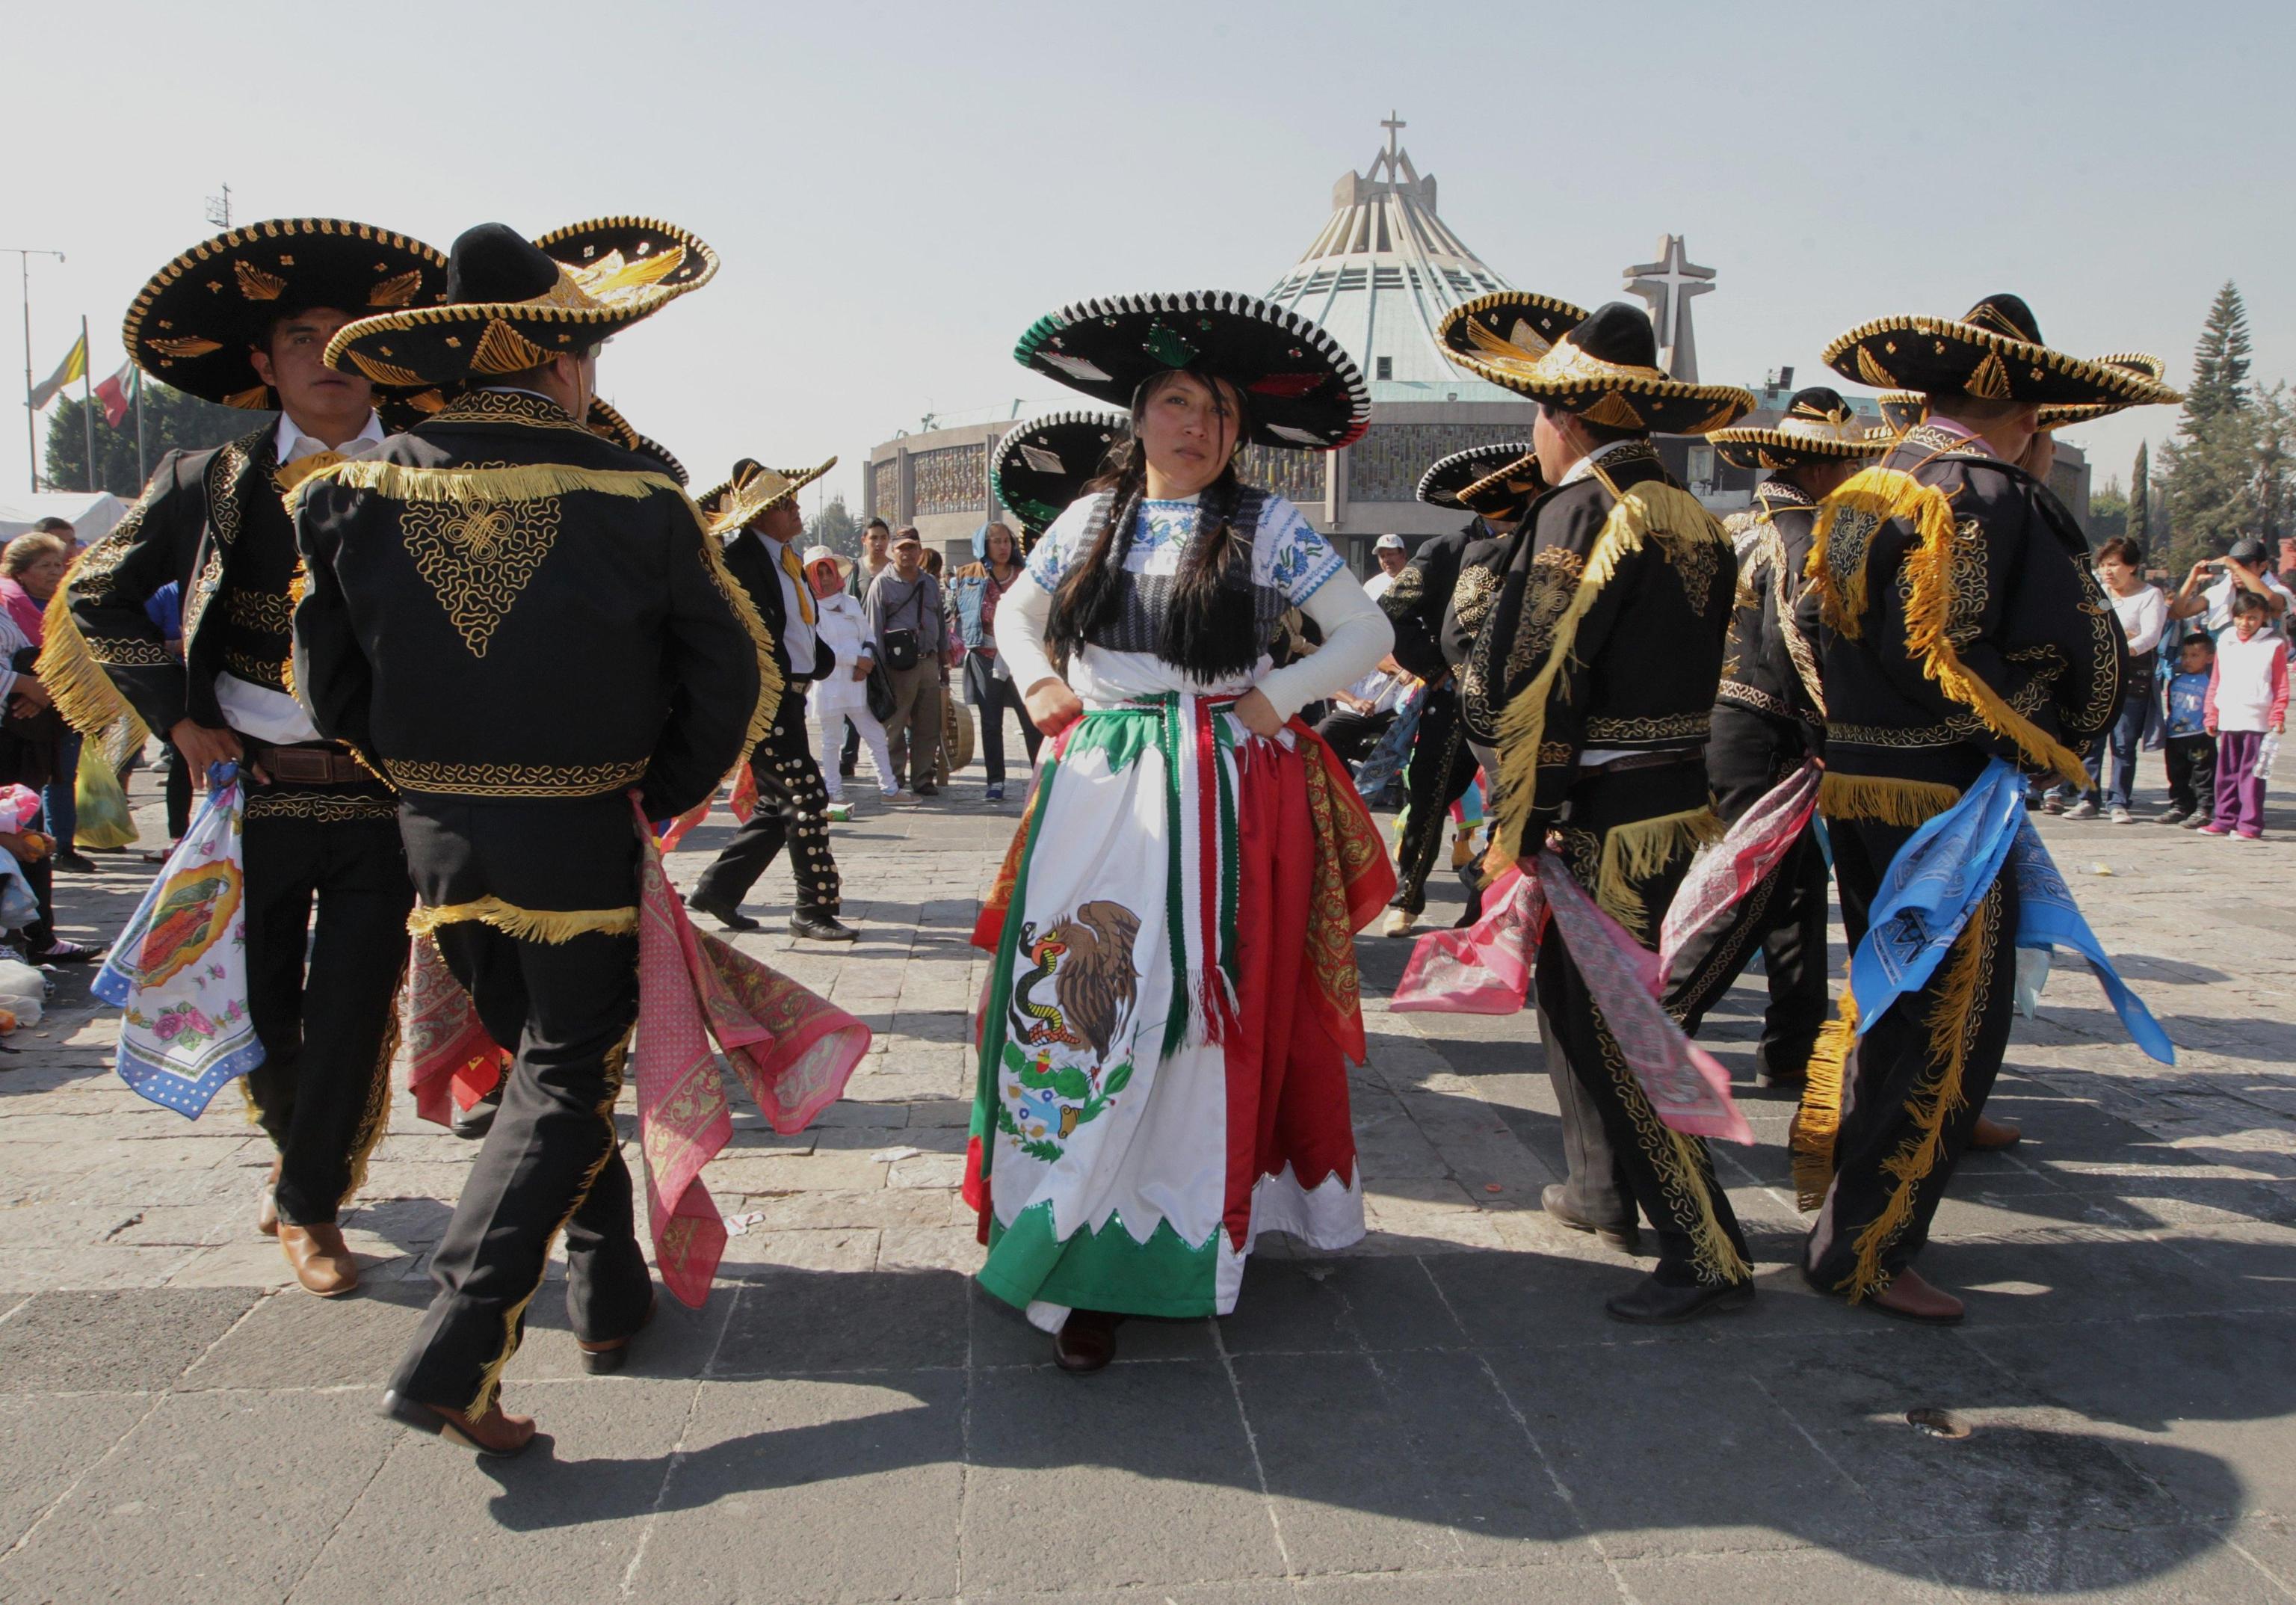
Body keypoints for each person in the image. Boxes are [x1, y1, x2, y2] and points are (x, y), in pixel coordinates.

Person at [297, 216, 753, 1455]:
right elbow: (728, 679)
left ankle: (608, 1293)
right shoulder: (637, 494)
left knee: (551, 1063)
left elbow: (328, 686)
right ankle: (456, 1340)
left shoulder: (345, 493)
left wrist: (424, 780)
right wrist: (652, 789)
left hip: (440, 840)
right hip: (580, 833)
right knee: (561, 1077)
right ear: (564, 365)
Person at [971, 289, 1392, 1371]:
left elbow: (1367, 628)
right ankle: (1071, 1225)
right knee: (1085, 1001)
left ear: (1235, 427)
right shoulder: (1093, 519)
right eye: (1172, 402)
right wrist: (1042, 682)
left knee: (1194, 1007)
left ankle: (1169, 1224)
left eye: (1213, 407)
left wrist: (1279, 696)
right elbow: (1021, 609)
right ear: (1139, 417)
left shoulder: (1267, 526)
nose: (1193, 423)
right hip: (1101, 782)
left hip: (1222, 791)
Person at [43, 217, 453, 1291]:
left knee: (360, 1003)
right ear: (263, 363)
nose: (328, 358)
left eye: (350, 335)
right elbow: (94, 589)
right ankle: (302, 1165)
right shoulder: (205, 477)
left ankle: (309, 1201)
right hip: (245, 798)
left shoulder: (435, 479)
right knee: (262, 999)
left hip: (376, 800)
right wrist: (176, 715)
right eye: (303, 336)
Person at [1797, 294, 2177, 1322]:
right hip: (1947, 796)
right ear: (2031, 415)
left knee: (1900, 998)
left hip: (1861, 780)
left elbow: (1808, 623)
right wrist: (2050, 738)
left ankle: (1850, 1213)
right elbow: (2063, 652)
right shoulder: (1986, 490)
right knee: (1954, 1023)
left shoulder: (1867, 486)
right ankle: (1866, 1248)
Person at [1449, 301, 1760, 1322]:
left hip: (1600, 819)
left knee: (1614, 1029)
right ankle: (1667, 1216)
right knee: (1629, 1020)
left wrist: (1515, 820)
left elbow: (1525, 678)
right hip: (1672, 804)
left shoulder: (1579, 511)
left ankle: (1702, 1244)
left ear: (1565, 421)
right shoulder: (1694, 511)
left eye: (1540, 415)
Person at [1663, 389, 1877, 1093]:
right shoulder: (1804, 533)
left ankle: (1791, 1042)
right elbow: (1804, 624)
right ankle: (1659, 1025)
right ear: (1818, 468)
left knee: (1796, 890)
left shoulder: (1731, 526)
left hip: (1725, 721)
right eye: (1844, 464)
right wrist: (1836, 726)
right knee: (1752, 891)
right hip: (1765, 727)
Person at [1380, 434, 1552, 935]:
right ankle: (1406, 897)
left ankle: (1483, 911)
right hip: (1451, 698)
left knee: (1509, 809)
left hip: (1521, 707)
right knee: (1428, 800)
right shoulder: (1446, 548)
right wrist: (1433, 666)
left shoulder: (1546, 546)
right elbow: (1391, 612)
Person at [687, 458, 857, 941]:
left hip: (793, 696)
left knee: (775, 801)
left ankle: (718, 887)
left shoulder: (788, 560)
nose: (796, 508)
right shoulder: (740, 562)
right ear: (761, 513)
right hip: (766, 701)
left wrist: (819, 661)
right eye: (785, 503)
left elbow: (800, 630)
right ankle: (814, 908)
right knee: (806, 793)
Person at [2057, 538, 2167, 821]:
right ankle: (2087, 799)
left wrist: (2119, 647)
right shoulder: (2101, 593)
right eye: (2104, 564)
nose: (2108, 571)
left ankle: (2118, 801)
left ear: (2132, 566)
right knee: (2092, 740)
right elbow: (2085, 627)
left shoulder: (2149, 595)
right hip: (2097, 678)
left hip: (2131, 679)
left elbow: (2150, 636)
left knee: (2123, 743)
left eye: (2114, 564)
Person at [945, 522, 1041, 801]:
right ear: (983, 546)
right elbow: (956, 614)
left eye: (1006, 541)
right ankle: (995, 781)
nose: (1003, 547)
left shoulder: (1025, 576)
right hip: (985, 656)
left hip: (1021, 656)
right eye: (996, 541)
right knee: (991, 722)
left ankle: (1041, 778)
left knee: (1031, 719)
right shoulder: (967, 575)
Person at [804, 546, 900, 801]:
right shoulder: (810, 609)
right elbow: (820, 648)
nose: (825, 578)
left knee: (875, 734)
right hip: (830, 684)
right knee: (832, 740)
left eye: (829, 571)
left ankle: (889, 788)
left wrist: (866, 660)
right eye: (819, 573)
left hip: (857, 681)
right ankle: (834, 792)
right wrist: (854, 660)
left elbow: (868, 635)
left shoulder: (851, 603)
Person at [866, 529, 949, 798]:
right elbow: (874, 628)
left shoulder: (930, 583)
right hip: (898, 666)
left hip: (928, 662)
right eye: (901, 548)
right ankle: (895, 776)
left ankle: (923, 777)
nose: (907, 553)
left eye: (912, 547)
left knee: (928, 724)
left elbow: (940, 623)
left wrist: (944, 658)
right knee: (895, 724)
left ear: (920, 550)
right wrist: (877, 668)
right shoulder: (882, 583)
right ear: (893, 550)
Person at [2200, 590, 2287, 841]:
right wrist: (2211, 713)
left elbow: (2280, 684)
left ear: (2263, 619)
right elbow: (2217, 679)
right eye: (2241, 617)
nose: (2245, 623)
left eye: (2252, 618)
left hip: (2257, 719)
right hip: (2229, 716)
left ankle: (2250, 823)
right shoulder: (2225, 640)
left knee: (2251, 774)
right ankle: (2224, 818)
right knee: (2225, 773)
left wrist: (2277, 715)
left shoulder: (2273, 645)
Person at [840, 517, 895, 780]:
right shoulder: (855, 570)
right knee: (853, 701)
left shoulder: (894, 570)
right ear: (864, 540)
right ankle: (847, 757)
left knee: (889, 700)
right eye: (874, 538)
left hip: (888, 647)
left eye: (883, 538)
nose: (879, 543)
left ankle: (893, 760)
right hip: (860, 646)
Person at [2170, 535, 2292, 641]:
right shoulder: (2218, 593)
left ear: (2263, 566)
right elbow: (2178, 612)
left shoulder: (2276, 590)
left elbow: (2272, 601)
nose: (2237, 573)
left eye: (2245, 567)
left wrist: (2235, 566)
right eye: (2232, 568)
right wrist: (2192, 580)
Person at [2158, 632, 2218, 826]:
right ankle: (2181, 805)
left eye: (2194, 656)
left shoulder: (2209, 683)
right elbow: (2171, 706)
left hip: (2199, 736)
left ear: (2209, 658)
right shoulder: (2176, 681)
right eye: (2185, 655)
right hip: (2176, 735)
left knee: (2203, 773)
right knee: (2176, 773)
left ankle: (2204, 808)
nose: (2188, 660)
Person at [1365, 532, 1407, 600]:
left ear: (1403, 554)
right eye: (1382, 556)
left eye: (1390, 554)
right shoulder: (1371, 586)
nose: (1386, 560)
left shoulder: (1420, 581)